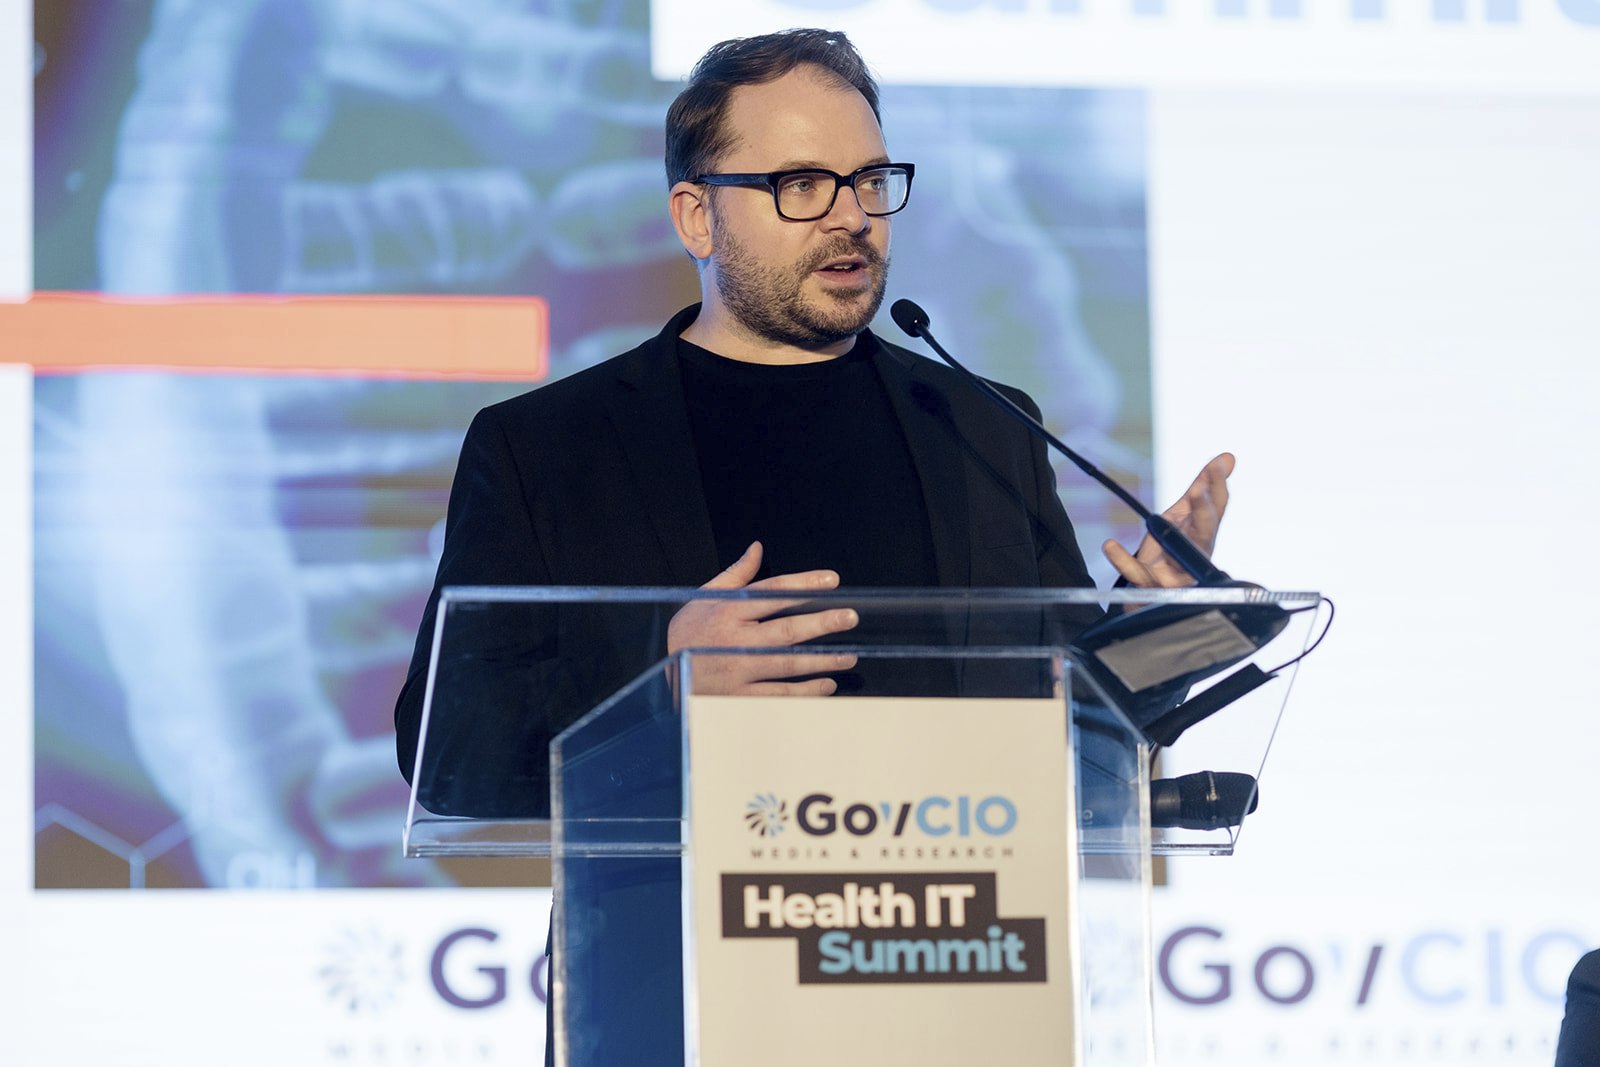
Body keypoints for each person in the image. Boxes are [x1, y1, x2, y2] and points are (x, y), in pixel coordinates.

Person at [393, 27, 1233, 1063]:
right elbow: (448, 755)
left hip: (963, 990)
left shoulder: (981, 426)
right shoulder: (550, 447)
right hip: (679, 1004)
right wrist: (660, 683)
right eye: (801, 183)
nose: (850, 216)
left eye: (870, 180)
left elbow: (1066, 730)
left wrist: (1159, 637)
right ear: (695, 215)